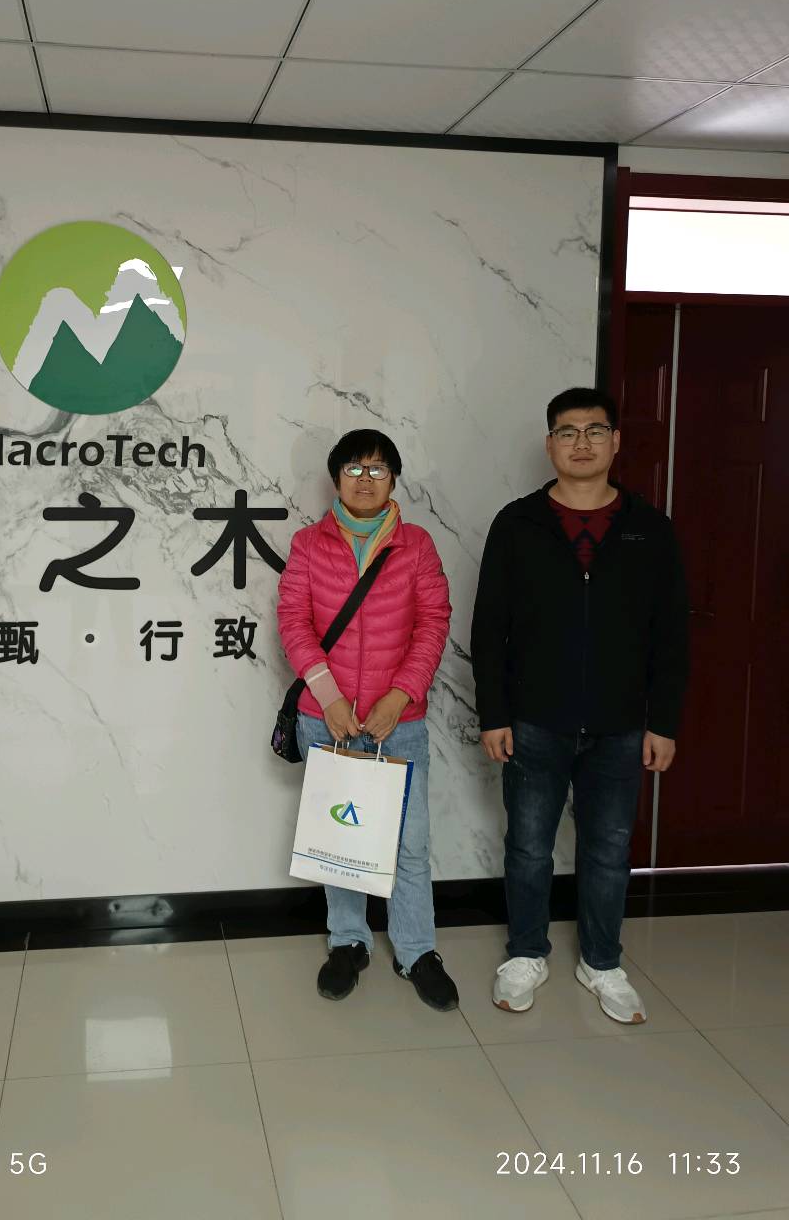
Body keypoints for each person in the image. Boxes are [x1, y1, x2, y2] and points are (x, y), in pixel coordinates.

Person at [472, 386, 688, 1023]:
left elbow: (671, 635)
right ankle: (526, 953)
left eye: (595, 431)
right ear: (550, 445)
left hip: (621, 725)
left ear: (616, 442)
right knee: (528, 846)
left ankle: (601, 961)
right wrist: (493, 713)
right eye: (567, 432)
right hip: (535, 720)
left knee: (608, 849)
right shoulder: (518, 524)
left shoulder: (649, 528)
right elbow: (489, 627)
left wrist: (663, 722)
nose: (582, 443)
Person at [277, 429, 457, 1009]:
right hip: (325, 720)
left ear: (393, 479)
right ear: (336, 478)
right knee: (341, 838)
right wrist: (329, 698)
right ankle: (348, 942)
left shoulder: (417, 545)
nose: (365, 479)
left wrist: (399, 697)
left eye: (377, 469)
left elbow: (433, 623)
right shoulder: (309, 544)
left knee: (410, 843)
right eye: (354, 468)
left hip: (398, 723)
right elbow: (294, 622)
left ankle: (416, 950)